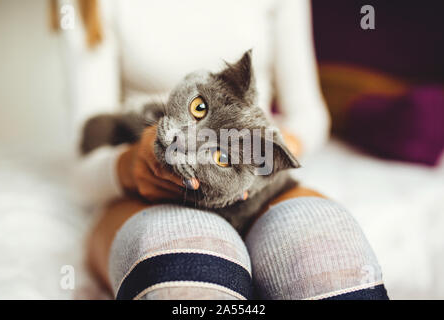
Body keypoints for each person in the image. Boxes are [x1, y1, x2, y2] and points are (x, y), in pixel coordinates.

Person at [53, 0, 388, 299]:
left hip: (251, 172)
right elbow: (82, 160)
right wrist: (127, 167)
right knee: (187, 271)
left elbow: (309, 114)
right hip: (143, 183)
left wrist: (262, 159)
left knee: (328, 263)